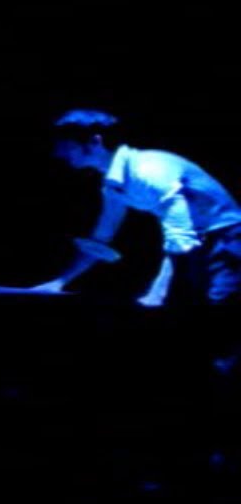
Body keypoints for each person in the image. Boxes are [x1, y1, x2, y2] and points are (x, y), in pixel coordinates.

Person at [35, 109, 241, 484]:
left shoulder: (148, 169)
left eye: (65, 144)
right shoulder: (115, 183)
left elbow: (182, 238)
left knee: (219, 343)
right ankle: (198, 450)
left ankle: (223, 456)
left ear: (94, 141)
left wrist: (158, 291)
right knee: (193, 346)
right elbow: (102, 237)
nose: (58, 153)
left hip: (226, 244)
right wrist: (59, 282)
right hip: (202, 247)